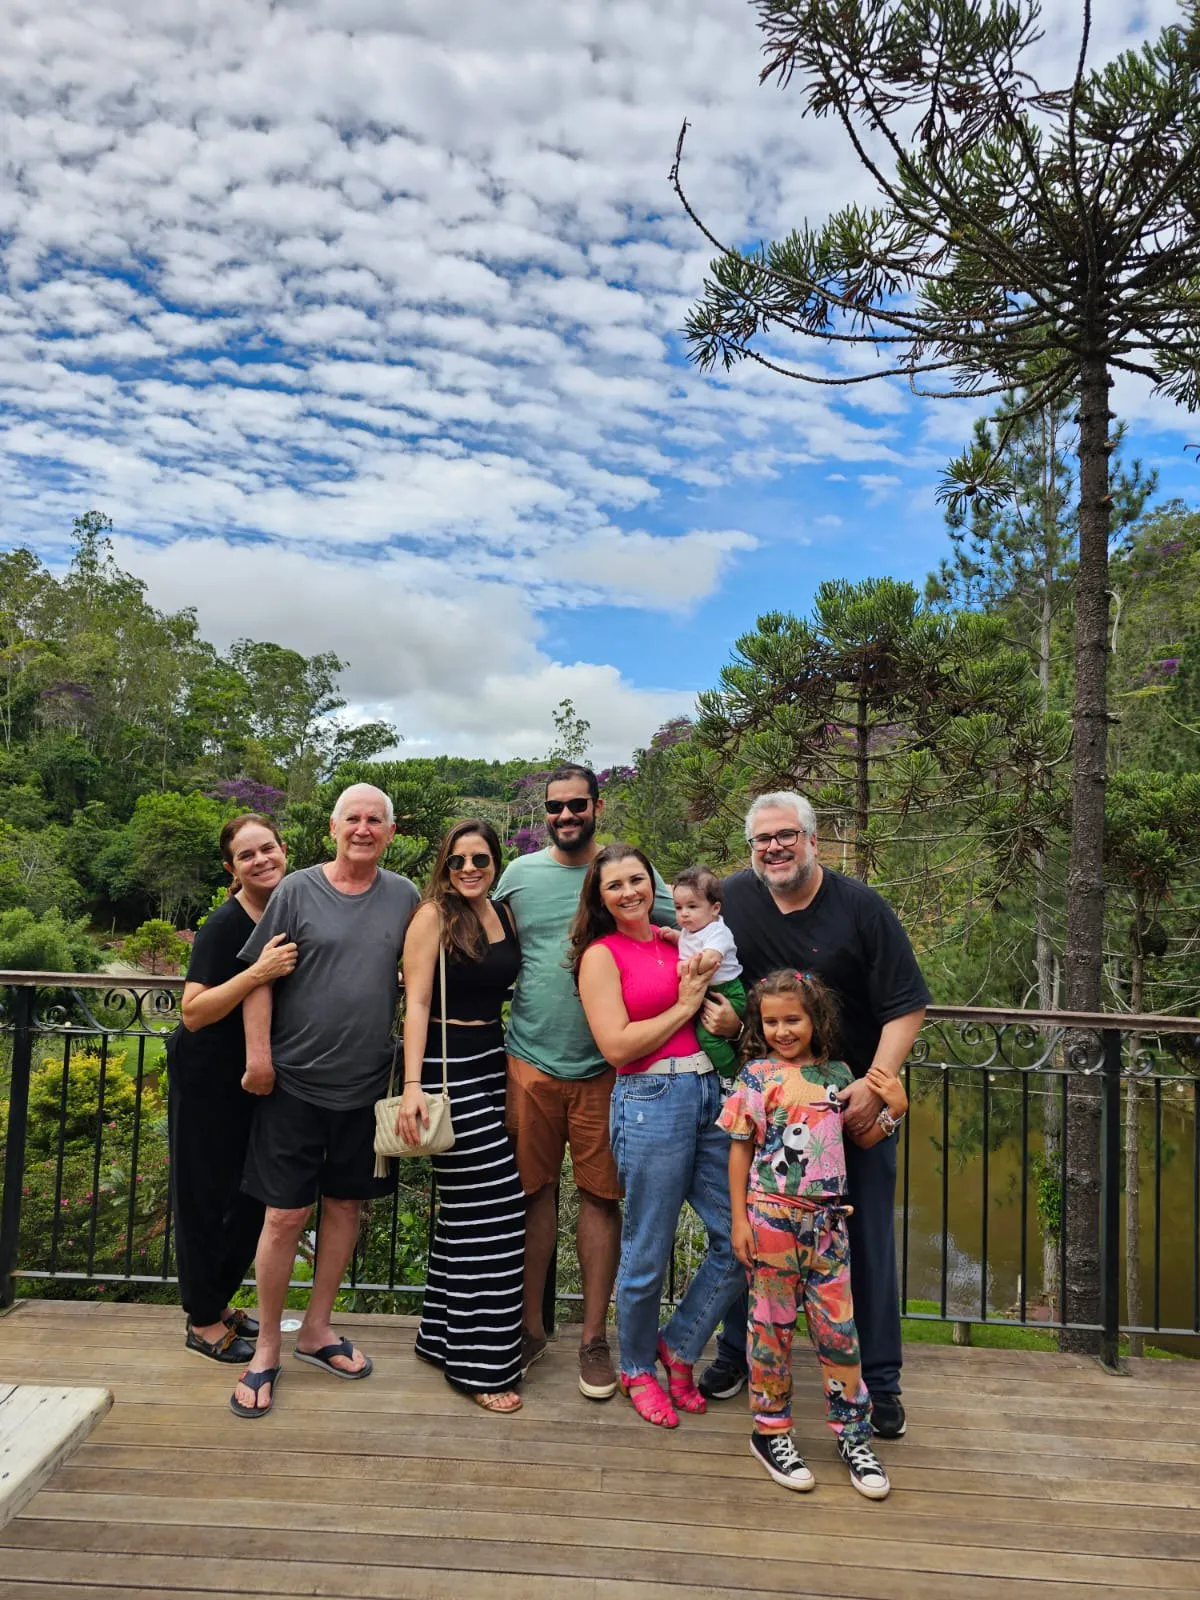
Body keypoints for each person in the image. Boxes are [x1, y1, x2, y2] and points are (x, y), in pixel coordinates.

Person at [699, 792, 929, 1443]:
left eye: (786, 836)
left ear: (811, 841)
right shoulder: (734, 901)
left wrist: (875, 1087)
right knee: (757, 1238)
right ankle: (734, 1358)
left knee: (866, 1247)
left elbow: (906, 1004)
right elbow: (681, 932)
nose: (774, 848)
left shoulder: (860, 908)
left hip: (848, 1109)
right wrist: (723, 1018)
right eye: (762, 839)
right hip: (770, 1112)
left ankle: (879, 1384)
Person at [229, 784, 420, 1418]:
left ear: (390, 834)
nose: (363, 829)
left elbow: (419, 981)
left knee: (344, 1209)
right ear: (332, 829)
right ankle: (266, 1352)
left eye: (375, 821)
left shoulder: (404, 897)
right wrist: (259, 1057)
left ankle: (317, 1330)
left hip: (366, 1089)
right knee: (284, 1217)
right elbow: (261, 976)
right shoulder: (296, 891)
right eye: (353, 819)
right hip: (293, 1084)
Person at [493, 765, 675, 1402]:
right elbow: (485, 937)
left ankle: (594, 1338)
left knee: (602, 1200)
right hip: (530, 1063)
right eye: (555, 806)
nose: (566, 815)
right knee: (531, 1195)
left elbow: (684, 926)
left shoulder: (623, 876)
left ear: (598, 805)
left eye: (577, 805)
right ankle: (529, 1326)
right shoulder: (517, 877)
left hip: (610, 1071)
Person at [574, 843, 746, 1428]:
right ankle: (636, 1367)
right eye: (613, 885)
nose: (628, 892)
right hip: (650, 1100)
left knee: (740, 1238)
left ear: (653, 884)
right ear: (599, 899)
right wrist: (685, 1005)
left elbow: (730, 996)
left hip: (708, 1096)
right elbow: (617, 1046)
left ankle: (676, 1346)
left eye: (636, 879)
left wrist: (730, 1018)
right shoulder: (602, 955)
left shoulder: (682, 939)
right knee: (649, 1247)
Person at [720, 970, 906, 1500]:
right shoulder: (755, 1077)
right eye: (771, 1020)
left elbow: (862, 1137)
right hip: (771, 1222)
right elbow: (738, 1149)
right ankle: (770, 1432)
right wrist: (739, 1220)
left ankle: (853, 1434)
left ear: (815, 1019)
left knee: (839, 1334)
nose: (782, 1030)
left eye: (793, 1019)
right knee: (770, 1332)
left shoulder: (838, 1075)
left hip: (828, 1227)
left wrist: (895, 1110)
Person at [397, 819, 525, 1414]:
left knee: (467, 1209)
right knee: (496, 1208)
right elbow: (417, 999)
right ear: (443, 866)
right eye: (457, 860)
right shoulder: (432, 916)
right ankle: (479, 1364)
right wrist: (414, 1085)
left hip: (492, 1060)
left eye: (480, 858)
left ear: (496, 861)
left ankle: (439, 1337)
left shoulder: (503, 913)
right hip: (445, 1066)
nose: (469, 868)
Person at [167, 813, 297, 1362]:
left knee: (248, 1196)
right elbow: (193, 1011)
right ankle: (201, 1320)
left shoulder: (289, 910)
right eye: (247, 855)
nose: (260, 860)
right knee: (204, 1196)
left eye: (267, 849)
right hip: (207, 1079)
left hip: (258, 1078)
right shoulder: (225, 925)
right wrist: (257, 972)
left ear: (284, 850)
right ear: (232, 868)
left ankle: (217, 1300)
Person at [670, 865, 746, 1076]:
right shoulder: (690, 929)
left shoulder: (718, 931)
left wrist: (682, 969)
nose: (684, 914)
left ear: (714, 908)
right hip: (710, 992)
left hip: (729, 993)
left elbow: (710, 958)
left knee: (708, 1037)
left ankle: (733, 1075)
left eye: (692, 906)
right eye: (678, 908)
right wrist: (674, 936)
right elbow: (693, 944)